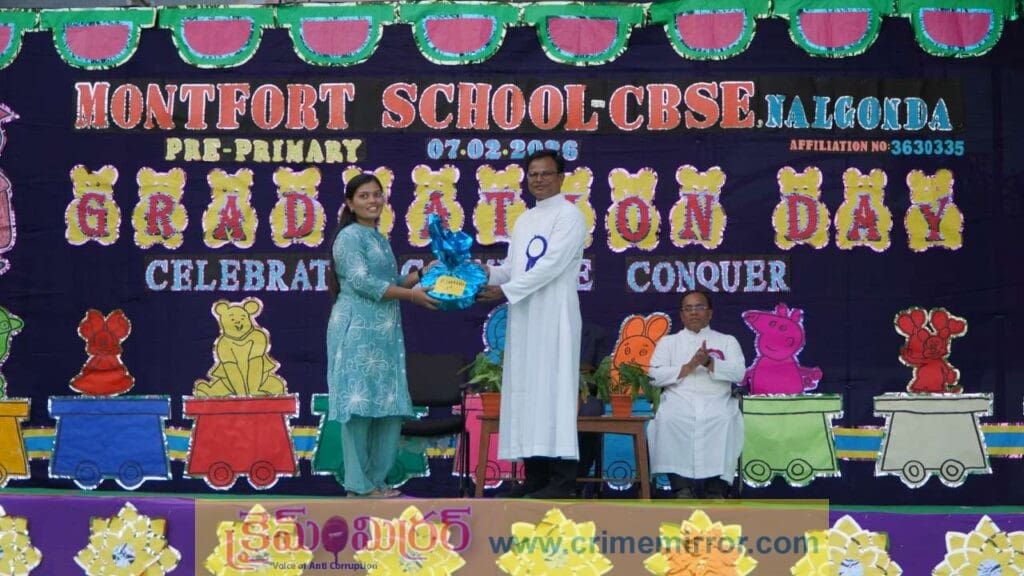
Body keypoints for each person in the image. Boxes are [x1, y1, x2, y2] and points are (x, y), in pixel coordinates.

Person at [477, 150, 588, 499]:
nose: (539, 180)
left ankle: (562, 478)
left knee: (554, 391)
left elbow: (551, 265)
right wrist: (484, 273)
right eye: (533, 174)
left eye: (546, 173)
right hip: (524, 316)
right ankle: (535, 476)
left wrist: (505, 291)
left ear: (561, 178)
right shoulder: (525, 219)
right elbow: (514, 268)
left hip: (554, 315)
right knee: (526, 393)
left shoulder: (570, 216)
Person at [326, 173, 438, 497]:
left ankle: (376, 481)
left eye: (377, 194)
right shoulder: (349, 237)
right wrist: (412, 295)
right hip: (357, 331)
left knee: (387, 406)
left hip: (384, 335)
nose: (372, 201)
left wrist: (419, 275)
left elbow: (389, 282)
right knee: (359, 406)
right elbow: (362, 283)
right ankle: (358, 486)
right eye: (364, 196)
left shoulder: (378, 238)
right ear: (350, 203)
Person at [647, 289, 745, 499]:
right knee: (669, 418)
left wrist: (708, 362)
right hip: (678, 399)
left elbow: (739, 373)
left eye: (699, 307)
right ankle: (681, 488)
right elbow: (653, 376)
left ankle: (716, 490)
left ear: (710, 313)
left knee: (723, 419)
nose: (694, 312)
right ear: (681, 315)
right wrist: (689, 366)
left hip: (717, 399)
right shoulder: (668, 342)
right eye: (688, 308)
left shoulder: (727, 341)